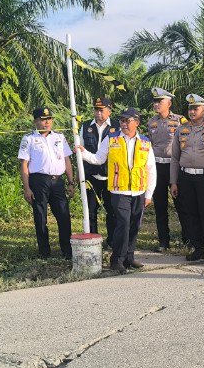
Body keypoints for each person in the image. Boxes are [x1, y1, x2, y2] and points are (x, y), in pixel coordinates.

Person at [77, 107, 157, 274]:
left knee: (134, 225)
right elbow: (99, 159)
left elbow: (151, 169)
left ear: (137, 122)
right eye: (121, 121)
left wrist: (149, 193)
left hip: (138, 191)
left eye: (127, 121)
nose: (123, 124)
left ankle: (129, 257)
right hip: (119, 191)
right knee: (123, 224)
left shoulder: (145, 142)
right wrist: (83, 153)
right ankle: (117, 259)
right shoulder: (112, 138)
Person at [170, 94, 204, 266]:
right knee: (191, 214)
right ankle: (199, 249)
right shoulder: (181, 129)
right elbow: (175, 158)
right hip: (185, 177)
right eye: (190, 108)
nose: (192, 111)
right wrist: (173, 182)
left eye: (196, 108)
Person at [18, 107, 74, 259]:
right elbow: (24, 165)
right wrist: (27, 188)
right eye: (43, 120)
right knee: (40, 217)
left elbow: (67, 160)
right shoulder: (29, 139)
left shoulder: (59, 137)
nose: (47, 122)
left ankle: (67, 250)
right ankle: (44, 252)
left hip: (57, 181)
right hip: (39, 181)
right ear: (36, 121)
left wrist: (71, 182)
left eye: (49, 119)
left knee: (63, 216)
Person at [147, 87, 189, 252]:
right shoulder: (151, 122)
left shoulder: (180, 121)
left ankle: (188, 238)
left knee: (182, 204)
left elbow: (187, 143)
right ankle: (163, 241)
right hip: (157, 166)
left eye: (160, 101)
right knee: (160, 205)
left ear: (169, 103)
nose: (156, 104)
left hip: (174, 166)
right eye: (155, 101)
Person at [79, 97, 119, 244]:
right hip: (91, 175)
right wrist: (79, 173)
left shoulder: (117, 126)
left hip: (111, 175)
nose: (98, 113)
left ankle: (112, 241)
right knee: (90, 210)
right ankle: (93, 241)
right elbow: (80, 151)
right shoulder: (85, 126)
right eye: (96, 109)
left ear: (109, 111)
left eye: (101, 110)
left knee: (112, 210)